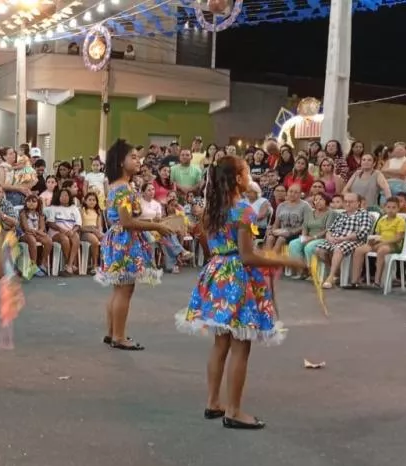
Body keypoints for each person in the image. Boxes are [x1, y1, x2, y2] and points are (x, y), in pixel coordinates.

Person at [175, 155, 304, 430]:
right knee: (240, 347)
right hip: (237, 277)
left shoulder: (212, 210)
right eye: (245, 172)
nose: (248, 176)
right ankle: (233, 410)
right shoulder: (244, 210)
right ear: (236, 178)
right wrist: (284, 260)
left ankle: (213, 402)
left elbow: (217, 247)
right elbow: (246, 255)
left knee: (220, 343)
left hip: (216, 273)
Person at [96, 139, 175, 351]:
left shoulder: (117, 186)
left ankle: (113, 332)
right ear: (120, 162)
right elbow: (127, 221)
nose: (138, 160)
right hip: (124, 240)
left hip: (117, 238)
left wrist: (153, 223)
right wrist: (156, 227)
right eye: (133, 157)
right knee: (125, 290)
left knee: (118, 289)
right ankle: (119, 337)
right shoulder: (123, 188)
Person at [314, 192, 374, 289]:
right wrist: (329, 237)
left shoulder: (364, 214)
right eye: (345, 201)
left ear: (358, 203)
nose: (347, 204)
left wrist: (344, 238)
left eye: (350, 202)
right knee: (319, 250)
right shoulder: (342, 214)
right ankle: (338, 273)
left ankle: (331, 277)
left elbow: (363, 232)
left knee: (338, 249)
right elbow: (330, 230)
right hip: (336, 239)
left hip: (353, 242)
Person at [346, 197, 406, 289]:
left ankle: (377, 281)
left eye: (394, 208)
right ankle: (355, 281)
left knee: (382, 250)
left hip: (393, 245)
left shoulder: (400, 220)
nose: (391, 210)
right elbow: (377, 234)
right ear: (384, 208)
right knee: (359, 250)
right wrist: (373, 240)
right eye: (388, 207)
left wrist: (383, 242)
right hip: (380, 242)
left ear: (398, 209)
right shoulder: (382, 220)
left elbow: (398, 238)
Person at [287, 192, 335, 279]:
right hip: (309, 237)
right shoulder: (310, 213)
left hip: (322, 238)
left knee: (309, 247)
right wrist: (304, 237)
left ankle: (312, 272)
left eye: (321, 199)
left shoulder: (331, 213)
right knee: (293, 244)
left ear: (326, 201)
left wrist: (312, 238)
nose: (318, 201)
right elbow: (305, 227)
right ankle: (302, 271)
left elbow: (328, 230)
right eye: (316, 200)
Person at [18, 193, 52, 277]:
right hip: (25, 235)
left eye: (34, 201)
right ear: (25, 203)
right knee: (32, 239)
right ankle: (33, 265)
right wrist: (37, 232)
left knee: (48, 240)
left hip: (36, 234)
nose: (31, 203)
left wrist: (38, 232)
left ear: (38, 203)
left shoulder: (40, 214)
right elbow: (26, 228)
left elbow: (42, 227)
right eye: (29, 201)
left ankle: (43, 263)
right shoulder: (23, 213)